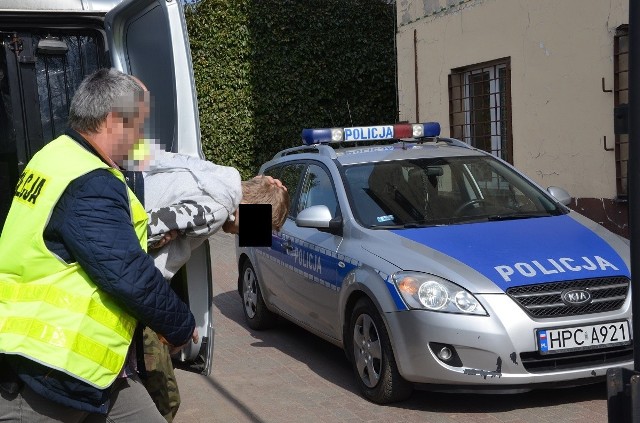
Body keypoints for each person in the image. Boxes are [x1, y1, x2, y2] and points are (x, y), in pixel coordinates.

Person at [0, 68, 198, 422]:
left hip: (92, 373)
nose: (141, 138)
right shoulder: (90, 180)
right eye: (139, 126)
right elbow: (127, 272)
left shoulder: (54, 156)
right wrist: (181, 324)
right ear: (114, 121)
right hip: (48, 369)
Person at [134, 149, 289, 421]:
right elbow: (140, 232)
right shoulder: (217, 208)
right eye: (258, 226)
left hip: (136, 284)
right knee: (166, 401)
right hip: (134, 288)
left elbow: (151, 156)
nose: (246, 235)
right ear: (253, 211)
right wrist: (173, 319)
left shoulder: (216, 175)